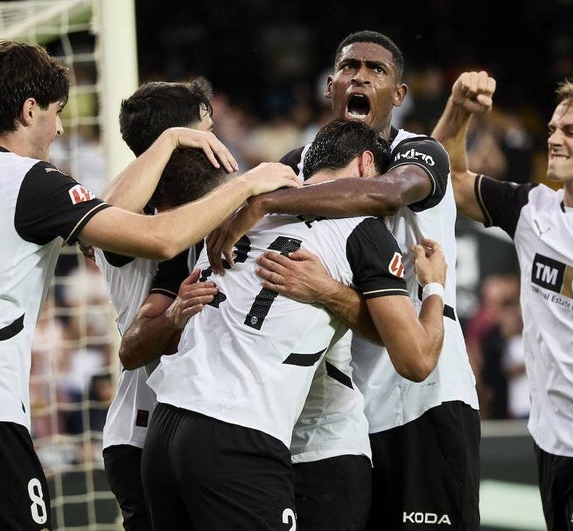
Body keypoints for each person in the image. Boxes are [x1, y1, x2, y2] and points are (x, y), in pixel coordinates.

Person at [0, 40, 298, 531]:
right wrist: (248, 185)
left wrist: (163, 142)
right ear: (28, 109)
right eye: (56, 113)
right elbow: (160, 238)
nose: (58, 128)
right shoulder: (32, 183)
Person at [208, 30, 480, 529]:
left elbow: (385, 196)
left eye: (376, 70)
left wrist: (266, 201)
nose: (360, 75)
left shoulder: (418, 153)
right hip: (336, 413)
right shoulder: (296, 164)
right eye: (349, 67)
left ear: (398, 95)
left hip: (421, 396)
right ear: (331, 86)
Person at [140, 118, 448, 531]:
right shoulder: (363, 231)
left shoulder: (237, 209)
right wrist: (433, 287)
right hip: (239, 438)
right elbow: (417, 359)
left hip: (165, 428)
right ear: (365, 166)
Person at [432, 70, 573, 530]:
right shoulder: (531, 210)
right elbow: (447, 179)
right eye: (554, 129)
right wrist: (459, 110)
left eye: (572, 131)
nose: (556, 139)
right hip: (549, 442)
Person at [97, 77, 222, 531]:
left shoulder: (202, 201)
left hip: (200, 425)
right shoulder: (137, 214)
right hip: (142, 427)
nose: (216, 143)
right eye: (207, 131)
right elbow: (111, 218)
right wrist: (170, 140)